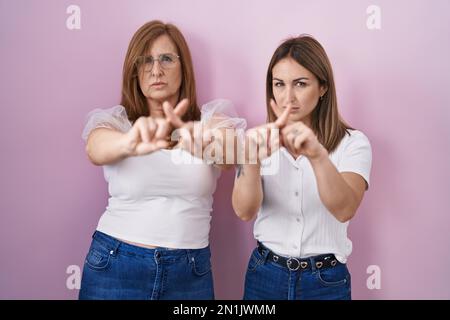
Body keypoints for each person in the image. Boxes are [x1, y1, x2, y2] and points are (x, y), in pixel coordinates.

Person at [79, 20, 245, 300]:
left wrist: (201, 140)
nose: (156, 70)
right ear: (134, 71)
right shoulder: (116, 123)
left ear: (184, 67)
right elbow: (96, 150)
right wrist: (130, 142)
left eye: (167, 59)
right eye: (145, 61)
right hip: (115, 265)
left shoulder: (211, 119)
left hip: (190, 272)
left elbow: (230, 156)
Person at [232, 35, 372, 300]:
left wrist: (317, 155)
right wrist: (250, 161)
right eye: (279, 85)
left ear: (322, 88)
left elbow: (344, 209)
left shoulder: (353, 144)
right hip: (265, 275)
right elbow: (244, 210)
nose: (288, 97)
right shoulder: (256, 140)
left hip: (325, 281)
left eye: (300, 84)